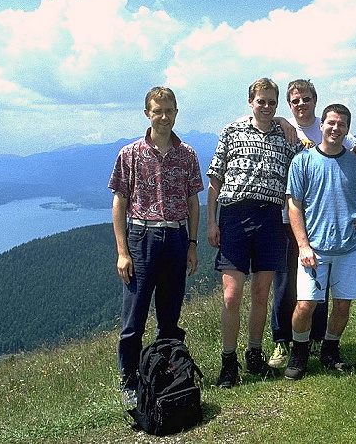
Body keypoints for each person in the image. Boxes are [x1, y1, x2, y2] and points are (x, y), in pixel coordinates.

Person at [206, 78, 305, 388]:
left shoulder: (286, 135)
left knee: (262, 293)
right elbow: (215, 179)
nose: (266, 107)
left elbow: (312, 155)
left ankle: (254, 354)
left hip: (270, 218)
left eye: (272, 102)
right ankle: (228, 362)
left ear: (278, 105)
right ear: (250, 101)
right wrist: (211, 221)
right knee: (232, 295)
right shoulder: (231, 131)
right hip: (234, 215)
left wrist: (355, 149)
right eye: (261, 101)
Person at [108, 86, 203, 406]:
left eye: (169, 111)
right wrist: (122, 252)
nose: (164, 117)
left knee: (169, 317)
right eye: (157, 111)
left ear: (176, 112)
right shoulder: (130, 154)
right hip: (141, 239)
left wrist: (192, 244)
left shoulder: (187, 154)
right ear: (147, 113)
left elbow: (193, 202)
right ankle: (128, 382)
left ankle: (165, 376)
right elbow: (119, 204)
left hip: (176, 239)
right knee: (133, 319)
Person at [268, 79, 356, 368]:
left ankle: (317, 341)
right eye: (295, 100)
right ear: (289, 105)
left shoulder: (331, 126)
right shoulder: (282, 124)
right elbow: (256, 116)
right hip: (287, 219)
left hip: (324, 224)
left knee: (320, 290)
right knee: (287, 285)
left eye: (306, 99)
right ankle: (283, 342)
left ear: (315, 101)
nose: (301, 104)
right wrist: (277, 117)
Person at [284, 103, 356, 380]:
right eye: (331, 122)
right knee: (306, 305)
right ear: (321, 125)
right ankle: (300, 351)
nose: (335, 128)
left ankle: (330, 349)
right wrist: (303, 245)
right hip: (314, 248)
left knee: (342, 305)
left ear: (347, 130)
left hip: (350, 246)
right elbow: (294, 205)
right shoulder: (303, 161)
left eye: (341, 124)